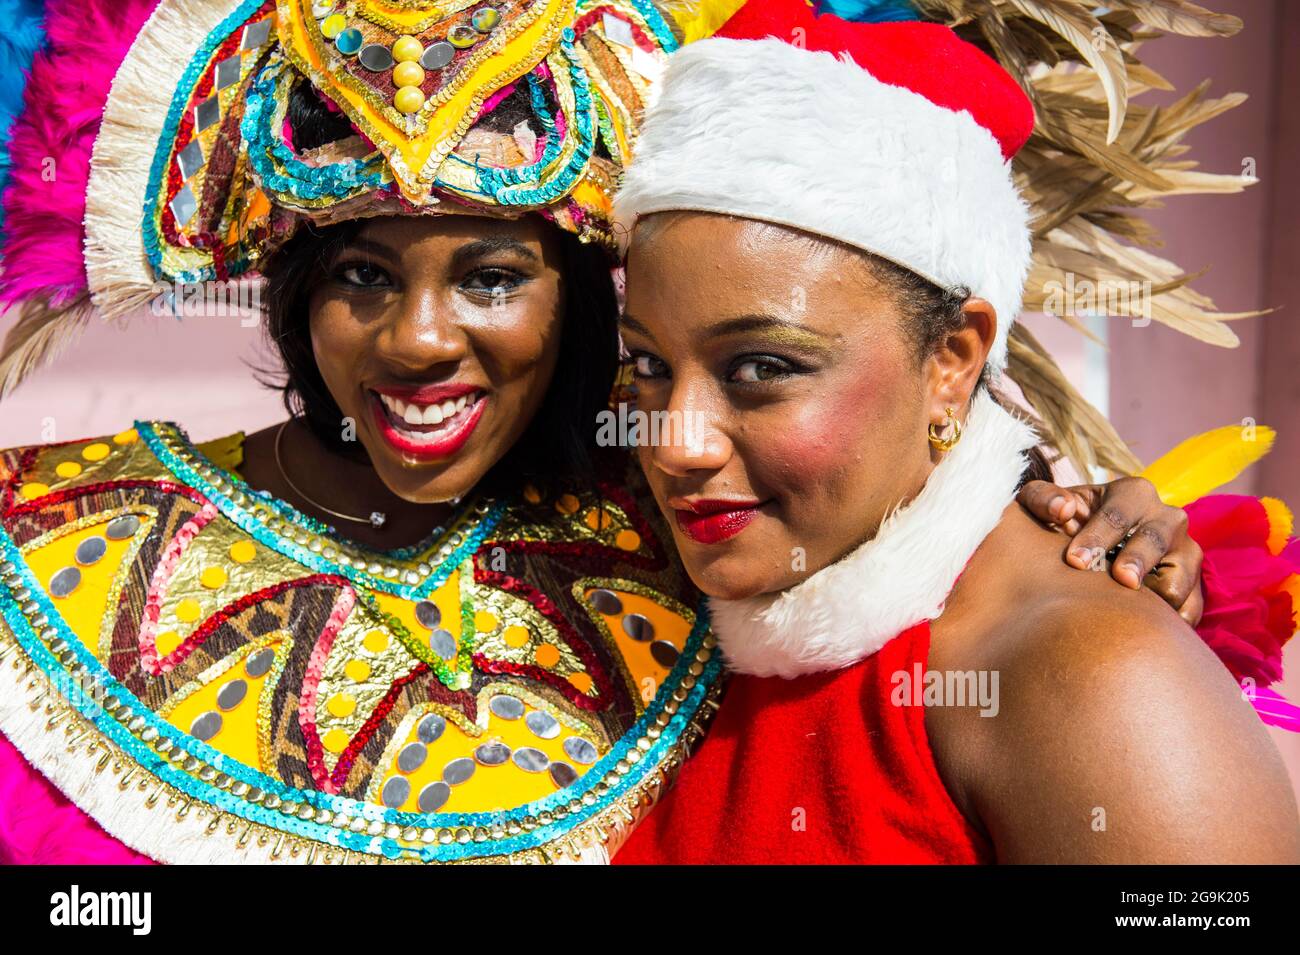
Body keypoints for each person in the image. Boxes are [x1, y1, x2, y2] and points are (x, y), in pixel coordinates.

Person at [0, 0, 1225, 865]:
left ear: (578, 303)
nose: (418, 340)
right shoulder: (46, 545)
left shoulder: (694, 538)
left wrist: (1054, 515)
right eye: (361, 275)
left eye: (488, 276)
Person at [610, 1, 1300, 864]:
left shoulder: (1090, 676)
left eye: (761, 368)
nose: (677, 441)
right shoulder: (678, 598)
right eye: (646, 364)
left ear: (953, 359)